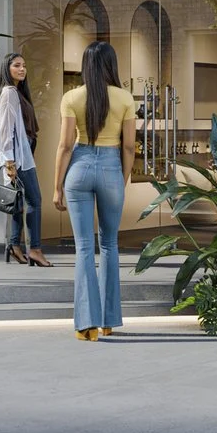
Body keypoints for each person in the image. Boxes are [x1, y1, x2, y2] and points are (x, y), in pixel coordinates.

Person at [53, 41, 136, 340]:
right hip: (112, 167)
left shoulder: (72, 97)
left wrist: (57, 187)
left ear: (86, 65)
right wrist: (122, 180)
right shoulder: (125, 98)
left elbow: (64, 146)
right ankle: (109, 321)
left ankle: (86, 326)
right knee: (110, 245)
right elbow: (129, 146)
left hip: (79, 166)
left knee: (84, 248)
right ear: (112, 64)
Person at [0, 54, 50, 267]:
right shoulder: (9, 93)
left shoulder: (16, 92)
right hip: (18, 158)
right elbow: (5, 129)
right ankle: (34, 249)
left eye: (24, 66)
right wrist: (9, 162)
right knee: (34, 200)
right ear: (7, 69)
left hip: (20, 155)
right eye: (17, 65)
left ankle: (14, 246)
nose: (22, 69)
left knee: (17, 201)